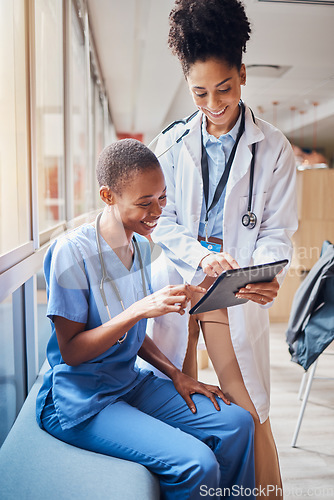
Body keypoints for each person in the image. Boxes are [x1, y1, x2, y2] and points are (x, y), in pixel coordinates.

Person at [36, 139, 256, 500]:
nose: (157, 211)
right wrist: (141, 308)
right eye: (144, 203)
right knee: (197, 463)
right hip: (80, 400)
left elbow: (132, 336)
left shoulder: (139, 246)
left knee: (237, 424)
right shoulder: (70, 252)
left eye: (162, 198)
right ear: (108, 196)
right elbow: (73, 352)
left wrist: (176, 374)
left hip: (128, 383)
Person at [141, 1, 298, 498]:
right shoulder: (169, 144)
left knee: (248, 407)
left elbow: (277, 229)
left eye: (225, 89)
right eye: (200, 92)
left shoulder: (273, 148)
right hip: (180, 282)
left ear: (243, 74)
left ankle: (265, 495)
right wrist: (200, 254)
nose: (213, 103)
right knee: (178, 401)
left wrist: (261, 270)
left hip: (231, 287)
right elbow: (158, 218)